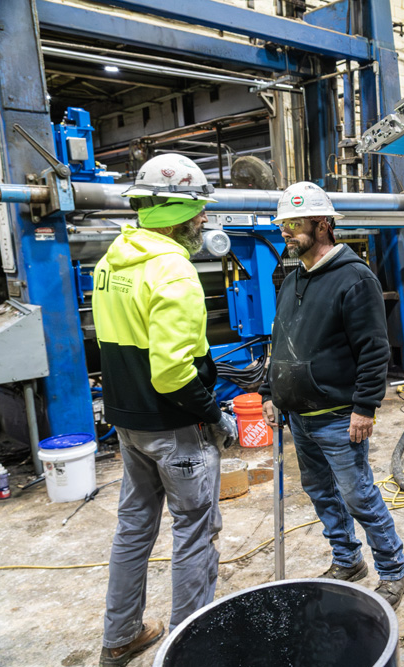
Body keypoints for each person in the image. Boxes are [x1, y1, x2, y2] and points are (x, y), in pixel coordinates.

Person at [93, 153, 238, 667]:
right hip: (176, 429)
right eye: (198, 210)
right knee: (195, 530)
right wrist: (214, 415)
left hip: (128, 423)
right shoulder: (174, 270)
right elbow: (173, 372)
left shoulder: (112, 261)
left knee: (133, 528)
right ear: (176, 211)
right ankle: (190, 648)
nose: (203, 219)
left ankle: (120, 635)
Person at [259, 181, 404, 609]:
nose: (285, 231)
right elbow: (280, 339)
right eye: (282, 224)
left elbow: (374, 349)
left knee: (358, 494)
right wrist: (272, 391)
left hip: (339, 416)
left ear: (323, 223)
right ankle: (347, 560)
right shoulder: (292, 281)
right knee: (321, 493)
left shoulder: (354, 278)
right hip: (299, 416)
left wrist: (365, 407)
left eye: (294, 223)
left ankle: (394, 571)